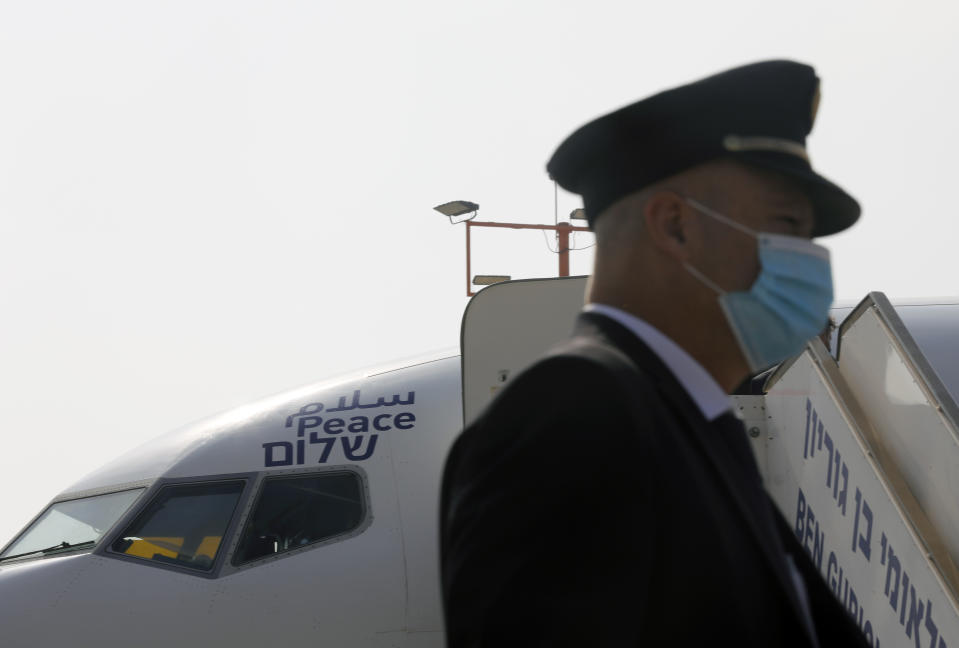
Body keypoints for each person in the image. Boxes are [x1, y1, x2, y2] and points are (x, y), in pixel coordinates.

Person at [439, 61, 871, 647]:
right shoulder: (570, 416)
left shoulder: (695, 427)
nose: (811, 258)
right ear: (675, 227)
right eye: (788, 224)